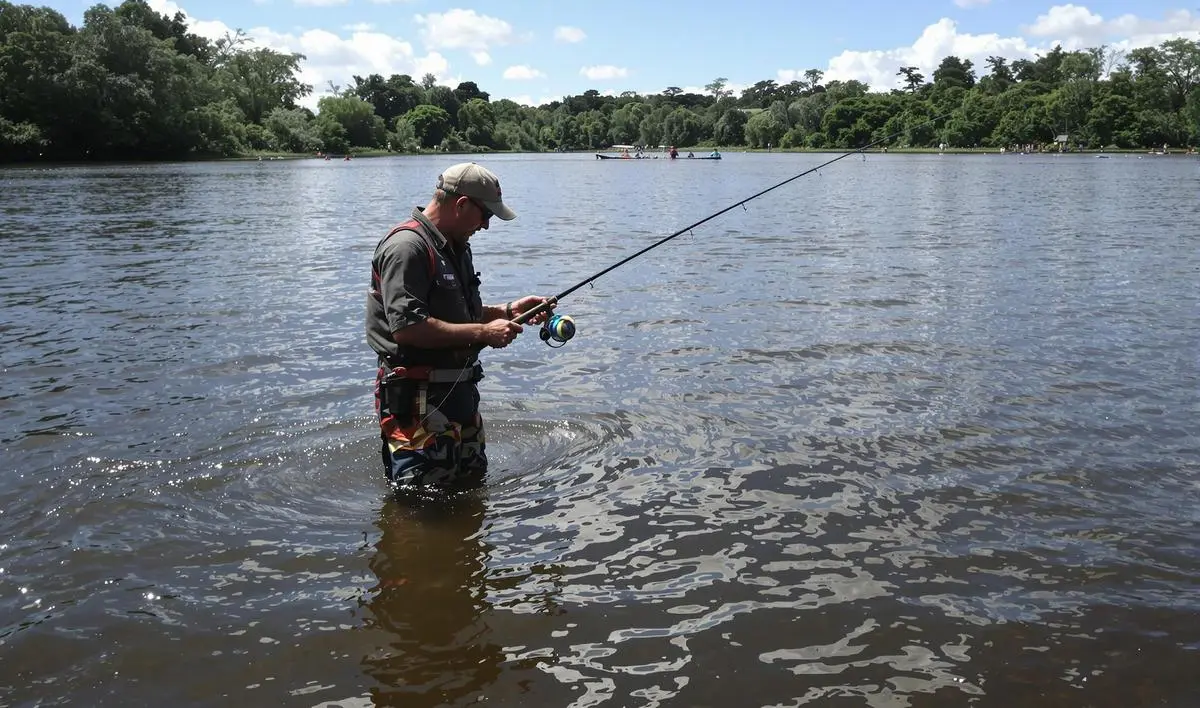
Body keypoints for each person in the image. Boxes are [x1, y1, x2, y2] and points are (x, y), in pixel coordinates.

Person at [366, 162, 553, 489]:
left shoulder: (455, 247)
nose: (486, 226)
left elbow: (462, 317)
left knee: (471, 492)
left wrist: (508, 311)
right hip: (417, 403)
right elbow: (408, 328)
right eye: (486, 216)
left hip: (459, 399)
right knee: (417, 505)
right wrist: (484, 333)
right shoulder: (407, 248)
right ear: (462, 204)